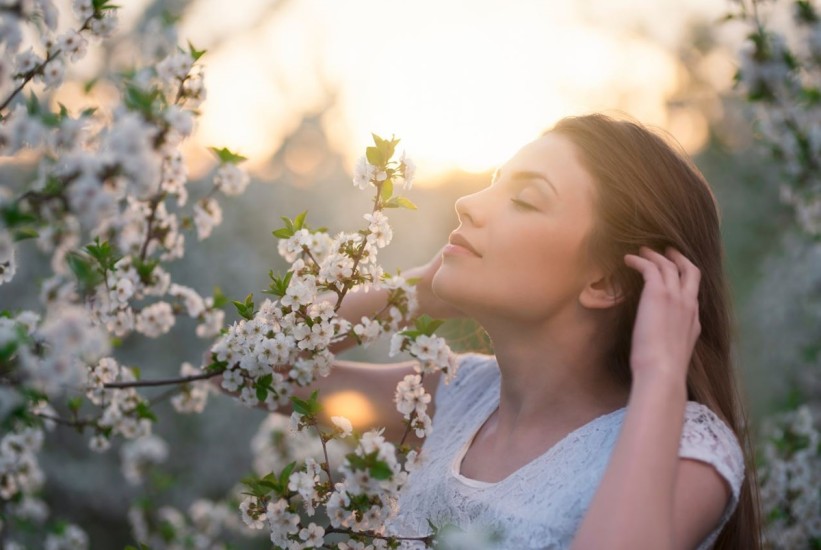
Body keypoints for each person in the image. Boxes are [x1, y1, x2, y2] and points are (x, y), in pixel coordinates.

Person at [282, 113, 761, 548]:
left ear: (606, 281)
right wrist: (412, 295)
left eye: (526, 200)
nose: (467, 203)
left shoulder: (685, 446)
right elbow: (244, 366)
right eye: (492, 182)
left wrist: (660, 373)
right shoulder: (451, 397)